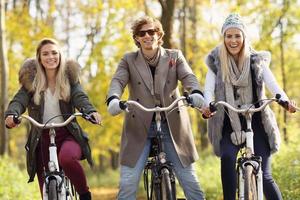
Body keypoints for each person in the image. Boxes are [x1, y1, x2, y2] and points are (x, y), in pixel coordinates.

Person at [106, 16, 206, 200]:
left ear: (159, 34)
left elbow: (188, 77)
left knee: (190, 182)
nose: (147, 36)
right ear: (136, 38)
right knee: (128, 183)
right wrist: (113, 99)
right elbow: (117, 81)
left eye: (151, 31)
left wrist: (196, 93)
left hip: (172, 125)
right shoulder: (128, 60)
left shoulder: (174, 56)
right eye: (142, 33)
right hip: (138, 128)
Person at [202, 13, 296, 200]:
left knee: (265, 175)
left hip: (258, 121)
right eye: (229, 36)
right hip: (229, 122)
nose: (233, 40)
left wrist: (286, 102)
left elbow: (274, 86)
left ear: (244, 37)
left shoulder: (256, 60)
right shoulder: (216, 61)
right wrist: (207, 106)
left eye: (237, 35)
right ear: (224, 37)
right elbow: (208, 90)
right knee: (228, 160)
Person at [5, 38, 101, 200]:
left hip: (67, 133)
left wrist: (90, 111)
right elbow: (18, 100)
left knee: (67, 158)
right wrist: (11, 114)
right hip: (41, 138)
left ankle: (85, 194)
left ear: (60, 55)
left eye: (54, 53)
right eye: (46, 54)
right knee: (46, 193)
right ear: (39, 58)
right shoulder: (31, 82)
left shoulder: (70, 79)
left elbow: (80, 97)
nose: (51, 57)